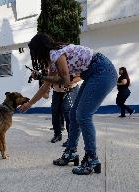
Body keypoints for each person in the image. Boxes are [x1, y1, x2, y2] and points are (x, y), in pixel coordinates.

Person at [19, 33, 117, 175]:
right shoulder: (54, 57)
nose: (34, 56)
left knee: (83, 115)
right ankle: (71, 152)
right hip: (93, 73)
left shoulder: (56, 54)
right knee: (74, 113)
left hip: (102, 71)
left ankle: (91, 159)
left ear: (39, 49)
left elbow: (65, 81)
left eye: (34, 52)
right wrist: (30, 104)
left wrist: (42, 76)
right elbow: (46, 86)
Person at [50, 79, 80, 146]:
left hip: (71, 89)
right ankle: (57, 135)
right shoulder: (51, 68)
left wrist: (70, 81)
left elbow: (81, 76)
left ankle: (71, 139)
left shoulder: (72, 67)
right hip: (56, 91)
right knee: (55, 112)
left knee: (68, 113)